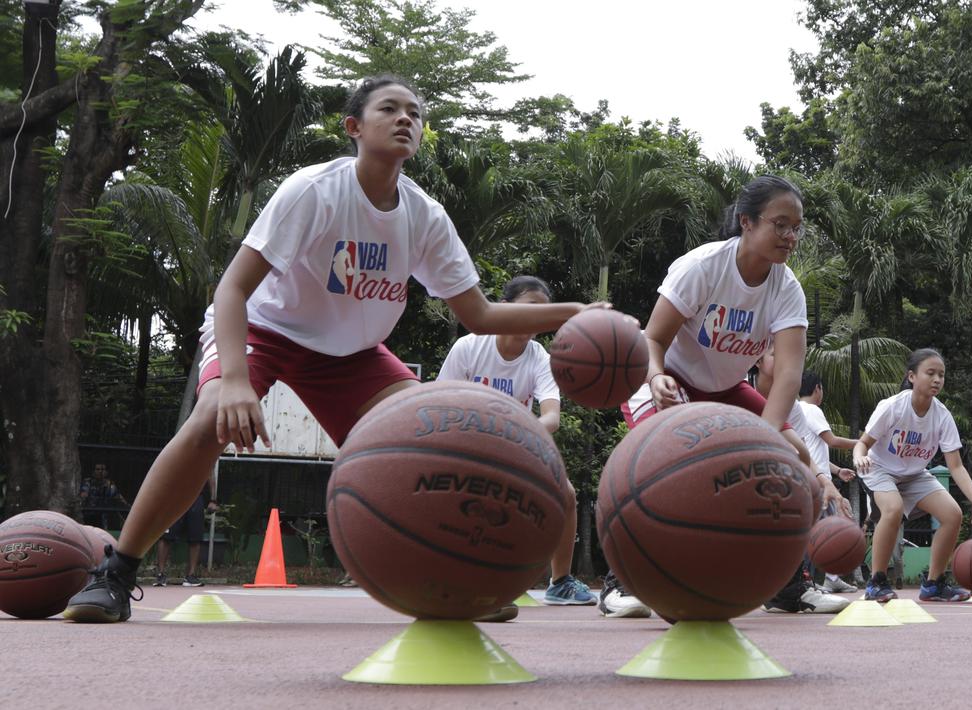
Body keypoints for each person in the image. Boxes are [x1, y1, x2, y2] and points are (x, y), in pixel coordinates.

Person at [64, 75, 605, 623]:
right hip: (265, 330)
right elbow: (232, 289)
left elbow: (480, 314)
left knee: (436, 439)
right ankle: (117, 570)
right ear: (353, 127)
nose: (405, 119)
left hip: (355, 354)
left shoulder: (425, 216)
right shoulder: (314, 190)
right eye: (389, 109)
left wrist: (575, 313)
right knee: (209, 422)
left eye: (415, 113)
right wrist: (232, 380)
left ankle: (451, 580)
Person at [602, 174, 844, 617]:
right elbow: (652, 340)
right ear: (747, 222)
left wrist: (766, 437)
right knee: (653, 469)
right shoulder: (703, 267)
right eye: (781, 224)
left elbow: (789, 373)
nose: (791, 236)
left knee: (797, 464)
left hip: (727, 389)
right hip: (666, 378)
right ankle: (620, 584)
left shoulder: (786, 288)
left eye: (798, 227)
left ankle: (787, 586)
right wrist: (656, 378)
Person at [437, 275, 596, 607]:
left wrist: (515, 434)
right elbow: (442, 405)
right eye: (528, 309)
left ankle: (561, 581)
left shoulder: (540, 358)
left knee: (565, 493)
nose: (534, 319)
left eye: (543, 313)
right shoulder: (469, 347)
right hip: (467, 447)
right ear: (504, 309)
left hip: (517, 444)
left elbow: (551, 416)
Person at [853, 348, 972, 603]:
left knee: (952, 514)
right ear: (912, 376)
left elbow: (956, 466)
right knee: (892, 509)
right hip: (880, 469)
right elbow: (862, 443)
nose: (937, 379)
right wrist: (859, 456)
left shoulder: (942, 415)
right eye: (930, 373)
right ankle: (876, 582)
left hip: (914, 474)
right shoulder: (893, 407)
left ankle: (934, 584)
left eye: (941, 374)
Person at [753, 346, 851, 613]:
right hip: (728, 474)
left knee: (799, 490)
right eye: (776, 354)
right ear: (758, 360)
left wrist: (827, 483)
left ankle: (789, 590)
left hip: (765, 478)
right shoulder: (732, 390)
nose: (788, 359)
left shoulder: (791, 407)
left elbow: (803, 453)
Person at [794, 372, 860, 593]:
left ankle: (829, 577)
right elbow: (831, 440)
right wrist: (862, 443)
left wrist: (837, 469)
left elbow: (812, 452)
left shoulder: (795, 409)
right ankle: (811, 581)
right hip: (819, 484)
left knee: (821, 529)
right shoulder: (812, 409)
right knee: (826, 532)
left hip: (810, 475)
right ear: (817, 389)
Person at [152, 481, 218, 587]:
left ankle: (190, 576)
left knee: (195, 537)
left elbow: (211, 475)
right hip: (174, 495)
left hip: (195, 497)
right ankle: (160, 574)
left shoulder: (203, 463)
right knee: (166, 536)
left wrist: (213, 500)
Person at [79, 462, 128, 530]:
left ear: (106, 472)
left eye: (102, 469)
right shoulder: (88, 482)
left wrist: (128, 507)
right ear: (93, 471)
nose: (100, 471)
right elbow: (83, 495)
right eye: (98, 469)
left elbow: (119, 498)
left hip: (103, 516)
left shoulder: (110, 484)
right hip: (88, 514)